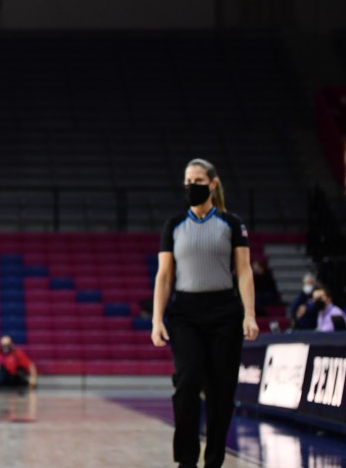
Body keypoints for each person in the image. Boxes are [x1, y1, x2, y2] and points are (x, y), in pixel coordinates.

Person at [151, 158, 259, 468]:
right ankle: (186, 461)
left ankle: (214, 461)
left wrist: (248, 314)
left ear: (212, 183)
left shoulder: (232, 223)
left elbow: (244, 272)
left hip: (224, 311)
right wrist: (157, 319)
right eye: (188, 180)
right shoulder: (173, 225)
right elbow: (165, 276)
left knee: (221, 391)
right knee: (186, 384)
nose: (192, 186)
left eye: (198, 180)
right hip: (185, 313)